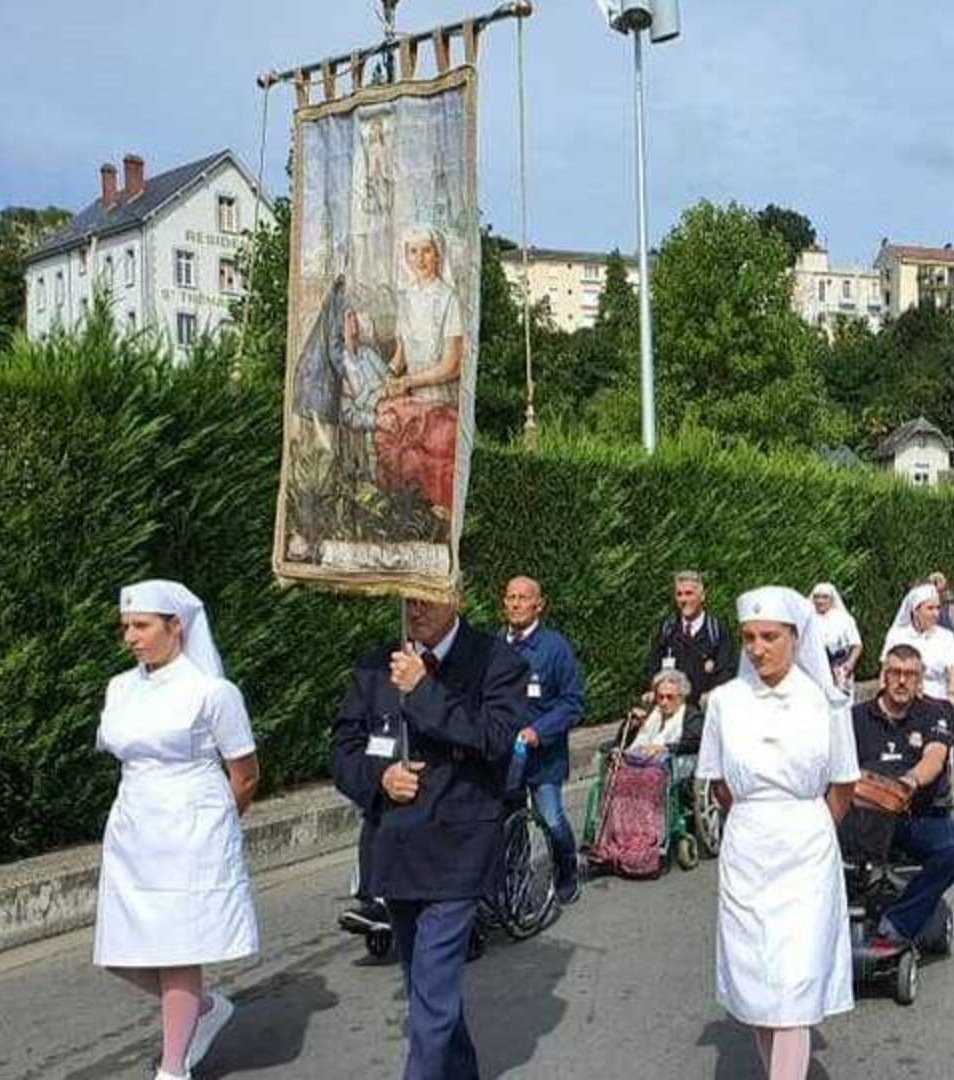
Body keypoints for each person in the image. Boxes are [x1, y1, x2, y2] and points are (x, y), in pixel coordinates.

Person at [330, 587, 525, 1080]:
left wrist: (423, 691)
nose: (415, 611)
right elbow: (343, 750)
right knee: (425, 986)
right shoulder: (377, 665)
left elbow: (495, 740)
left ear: (456, 597)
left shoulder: (494, 659)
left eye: (427, 601)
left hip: (460, 847)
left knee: (433, 985)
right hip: (395, 846)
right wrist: (379, 779)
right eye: (408, 602)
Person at [96, 581, 259, 1080]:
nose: (130, 637)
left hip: (192, 831)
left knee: (178, 949)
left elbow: (246, 773)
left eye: (141, 626)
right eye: (126, 626)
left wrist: (213, 829)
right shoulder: (120, 687)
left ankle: (173, 1069)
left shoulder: (212, 692)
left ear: (176, 628)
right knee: (120, 951)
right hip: (133, 829)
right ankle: (205, 1009)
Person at [697, 586, 860, 1080]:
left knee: (793, 981)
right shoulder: (724, 702)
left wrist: (809, 825)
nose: (757, 648)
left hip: (806, 848)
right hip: (747, 846)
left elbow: (844, 783)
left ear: (795, 636)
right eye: (749, 637)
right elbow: (720, 783)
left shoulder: (825, 701)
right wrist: (754, 817)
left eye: (769, 636)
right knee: (757, 983)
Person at [851, 645, 954, 952]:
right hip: (863, 815)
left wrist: (910, 780)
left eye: (910, 675)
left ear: (920, 680)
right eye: (895, 673)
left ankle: (898, 922)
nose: (902, 681)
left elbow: (935, 757)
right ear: (883, 677)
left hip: (916, 818)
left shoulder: (935, 713)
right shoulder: (855, 717)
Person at [353, 226, 466, 516]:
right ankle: (395, 510)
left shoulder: (450, 299)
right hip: (412, 399)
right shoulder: (406, 299)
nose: (420, 258)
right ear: (406, 257)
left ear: (438, 255)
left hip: (441, 400)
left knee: (433, 441)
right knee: (385, 423)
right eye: (413, 252)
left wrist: (407, 382)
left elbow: (452, 366)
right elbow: (401, 355)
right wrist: (384, 378)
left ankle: (432, 513)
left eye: (426, 251)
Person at [502, 576, 587, 904]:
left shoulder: (555, 648)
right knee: (510, 824)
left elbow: (572, 702)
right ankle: (515, 880)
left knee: (551, 820)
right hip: (505, 756)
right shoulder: (497, 645)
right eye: (510, 597)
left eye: (523, 598)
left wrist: (540, 731)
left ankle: (567, 869)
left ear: (539, 604)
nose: (516, 603)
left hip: (543, 756)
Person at [642, 571, 735, 749]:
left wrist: (712, 694)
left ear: (702, 596)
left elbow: (727, 669)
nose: (683, 599)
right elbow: (653, 664)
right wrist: (652, 689)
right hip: (671, 708)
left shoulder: (716, 630)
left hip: (701, 713)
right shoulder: (667, 629)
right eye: (679, 594)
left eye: (689, 593)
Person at [881, 583, 954, 702]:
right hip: (902, 700)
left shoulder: (946, 637)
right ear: (915, 610)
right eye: (930, 608)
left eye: (938, 608)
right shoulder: (896, 635)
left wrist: (951, 700)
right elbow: (885, 672)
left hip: (936, 700)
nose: (936, 614)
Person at [808, 583, 863, 704]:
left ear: (831, 599)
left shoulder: (844, 619)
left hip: (840, 669)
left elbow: (857, 645)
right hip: (815, 670)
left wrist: (849, 664)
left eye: (824, 597)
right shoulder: (807, 619)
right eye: (817, 597)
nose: (820, 601)